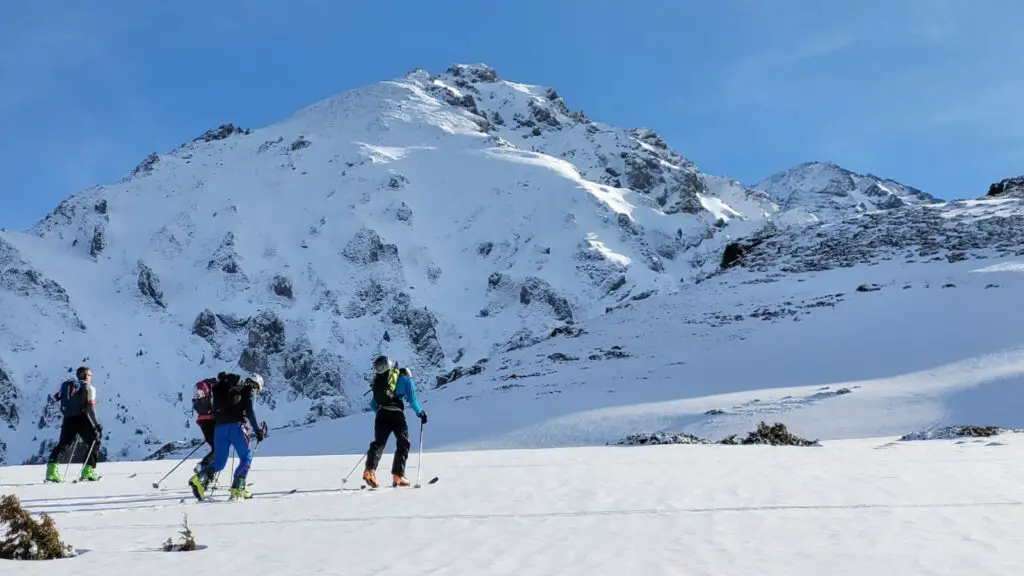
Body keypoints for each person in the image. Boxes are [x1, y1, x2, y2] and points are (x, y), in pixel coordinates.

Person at [188, 371, 267, 501]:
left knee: (219, 462)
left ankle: (199, 479)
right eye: (258, 390)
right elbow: (250, 412)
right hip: (237, 428)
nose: (257, 393)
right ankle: (238, 489)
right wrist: (258, 431)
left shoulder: (228, 390)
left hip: (219, 428)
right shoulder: (249, 390)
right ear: (257, 386)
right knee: (246, 458)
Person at [362, 355, 427, 488]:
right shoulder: (406, 380)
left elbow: (373, 405)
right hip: (397, 415)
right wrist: (421, 413)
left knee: (379, 443)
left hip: (381, 415)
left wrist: (381, 413)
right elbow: (412, 401)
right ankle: (398, 475)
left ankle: (369, 471)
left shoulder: (382, 381)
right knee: (403, 443)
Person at [45, 366, 103, 483]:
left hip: (68, 419)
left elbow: (56, 397)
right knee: (94, 441)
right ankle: (88, 470)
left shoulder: (68, 387)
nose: (91, 377)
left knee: (63, 444)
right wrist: (96, 424)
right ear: (86, 375)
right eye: (90, 375)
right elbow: (90, 408)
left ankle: (51, 471)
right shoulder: (89, 388)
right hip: (83, 419)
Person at [191, 377, 218, 474]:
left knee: (215, 448)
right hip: (211, 421)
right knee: (218, 449)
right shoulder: (213, 390)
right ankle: (203, 466)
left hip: (203, 423)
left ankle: (209, 474)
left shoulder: (198, 400)